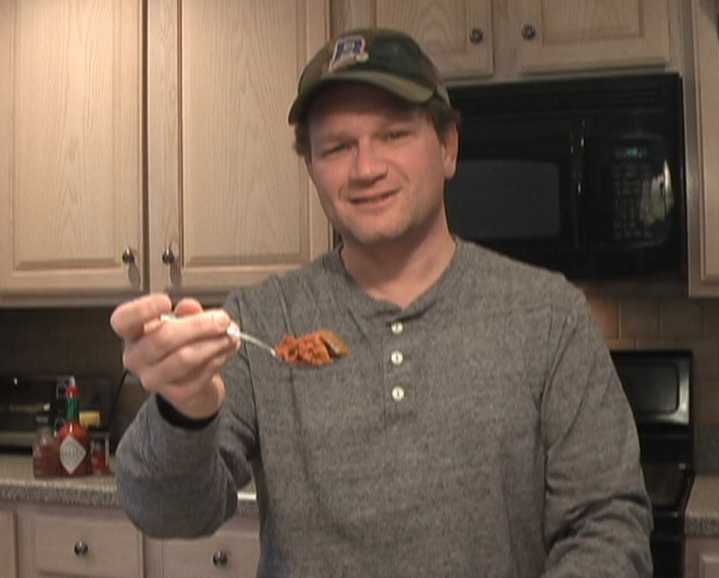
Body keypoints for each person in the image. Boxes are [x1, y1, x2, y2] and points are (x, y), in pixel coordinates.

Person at [110, 27, 653, 578]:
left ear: (447, 147)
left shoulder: (549, 315)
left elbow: (606, 522)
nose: (366, 168)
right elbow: (165, 510)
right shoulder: (262, 319)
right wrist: (183, 410)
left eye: (394, 135)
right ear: (312, 169)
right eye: (338, 147)